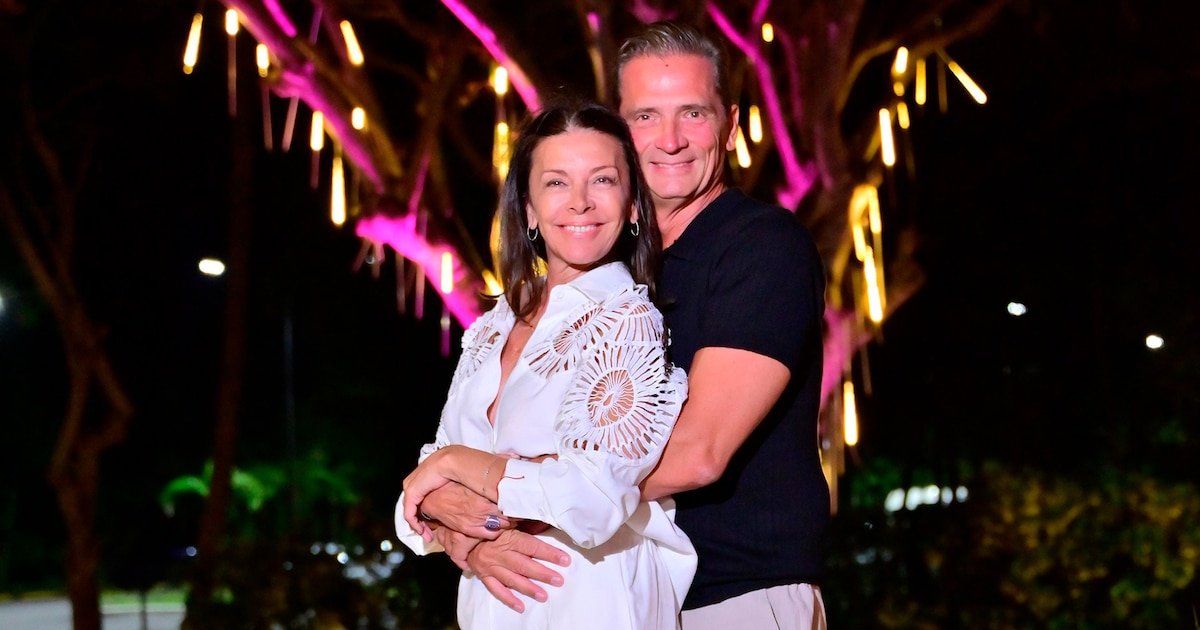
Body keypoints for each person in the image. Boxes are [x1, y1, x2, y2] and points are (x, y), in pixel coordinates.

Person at [417, 21, 829, 629]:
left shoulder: (761, 248)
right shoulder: (602, 277)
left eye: (693, 113)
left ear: (731, 125)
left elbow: (697, 454)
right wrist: (468, 530)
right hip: (618, 596)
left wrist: (490, 497)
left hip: (734, 595)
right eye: (645, 116)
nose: (670, 140)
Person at [395, 101, 696, 630]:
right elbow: (420, 492)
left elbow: (593, 499)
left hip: (588, 596)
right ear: (529, 210)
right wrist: (461, 532)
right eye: (557, 182)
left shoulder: (626, 319)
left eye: (602, 180)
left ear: (632, 206)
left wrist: (457, 469)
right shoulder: (495, 324)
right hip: (493, 603)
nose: (580, 202)